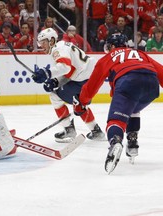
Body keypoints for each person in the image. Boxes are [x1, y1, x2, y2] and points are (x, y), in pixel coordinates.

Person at [73, 33, 163, 174]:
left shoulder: (108, 57)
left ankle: (115, 141)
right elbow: (161, 71)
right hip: (152, 86)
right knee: (132, 107)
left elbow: (92, 86)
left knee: (116, 120)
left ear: (112, 46)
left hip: (128, 82)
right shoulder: (139, 53)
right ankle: (132, 140)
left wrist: (81, 103)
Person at [32, 28, 105, 143]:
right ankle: (96, 131)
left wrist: (47, 73)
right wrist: (55, 81)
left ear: (51, 41)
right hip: (89, 78)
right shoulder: (62, 46)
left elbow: (65, 67)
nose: (41, 46)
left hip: (83, 79)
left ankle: (68, 129)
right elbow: (70, 70)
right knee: (78, 103)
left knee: (55, 97)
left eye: (43, 42)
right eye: (40, 43)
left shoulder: (57, 49)